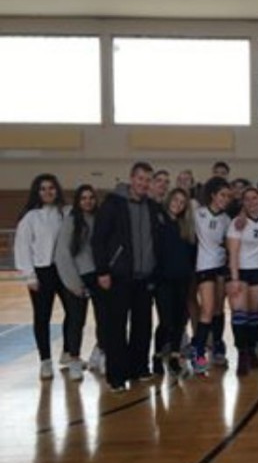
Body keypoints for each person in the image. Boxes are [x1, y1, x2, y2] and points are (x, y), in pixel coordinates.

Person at [92, 162, 161, 392]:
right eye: (140, 178)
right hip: (118, 277)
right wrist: (102, 270)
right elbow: (99, 239)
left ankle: (139, 368)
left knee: (142, 327)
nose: (144, 183)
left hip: (144, 278)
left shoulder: (152, 207)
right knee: (116, 328)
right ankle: (116, 376)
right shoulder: (113, 204)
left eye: (148, 180)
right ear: (132, 178)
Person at [14, 174, 71, 380]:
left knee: (73, 312)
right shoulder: (30, 217)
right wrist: (29, 275)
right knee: (42, 317)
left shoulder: (65, 213)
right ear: (37, 192)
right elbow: (22, 246)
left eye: (51, 188)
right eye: (43, 188)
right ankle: (45, 360)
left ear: (57, 190)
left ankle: (68, 352)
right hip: (42, 271)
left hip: (63, 270)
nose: (48, 192)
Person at [54, 184, 105, 381]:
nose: (88, 201)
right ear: (78, 201)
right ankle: (74, 358)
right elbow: (62, 254)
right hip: (77, 278)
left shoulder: (100, 219)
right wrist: (74, 284)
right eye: (83, 198)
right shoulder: (71, 221)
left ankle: (99, 353)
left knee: (104, 318)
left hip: (97, 276)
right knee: (77, 320)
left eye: (91, 197)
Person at [227, 187, 258, 376]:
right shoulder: (237, 223)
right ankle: (241, 353)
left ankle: (252, 348)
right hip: (240, 271)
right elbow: (233, 253)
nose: (251, 202)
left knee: (255, 315)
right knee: (240, 314)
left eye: (255, 198)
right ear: (243, 202)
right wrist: (235, 278)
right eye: (247, 199)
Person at [190, 177, 232, 374]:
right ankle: (198, 350)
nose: (225, 199)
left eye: (228, 196)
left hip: (221, 266)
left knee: (218, 309)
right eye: (222, 195)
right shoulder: (198, 213)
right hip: (204, 267)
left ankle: (217, 343)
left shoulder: (227, 220)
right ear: (213, 195)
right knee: (206, 309)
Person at [153, 188, 196, 376]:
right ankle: (157, 356)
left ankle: (174, 356)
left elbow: (191, 254)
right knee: (166, 321)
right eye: (175, 200)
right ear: (169, 199)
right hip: (163, 280)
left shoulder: (186, 226)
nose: (178, 204)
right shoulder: (159, 221)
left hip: (182, 279)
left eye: (182, 202)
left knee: (180, 320)